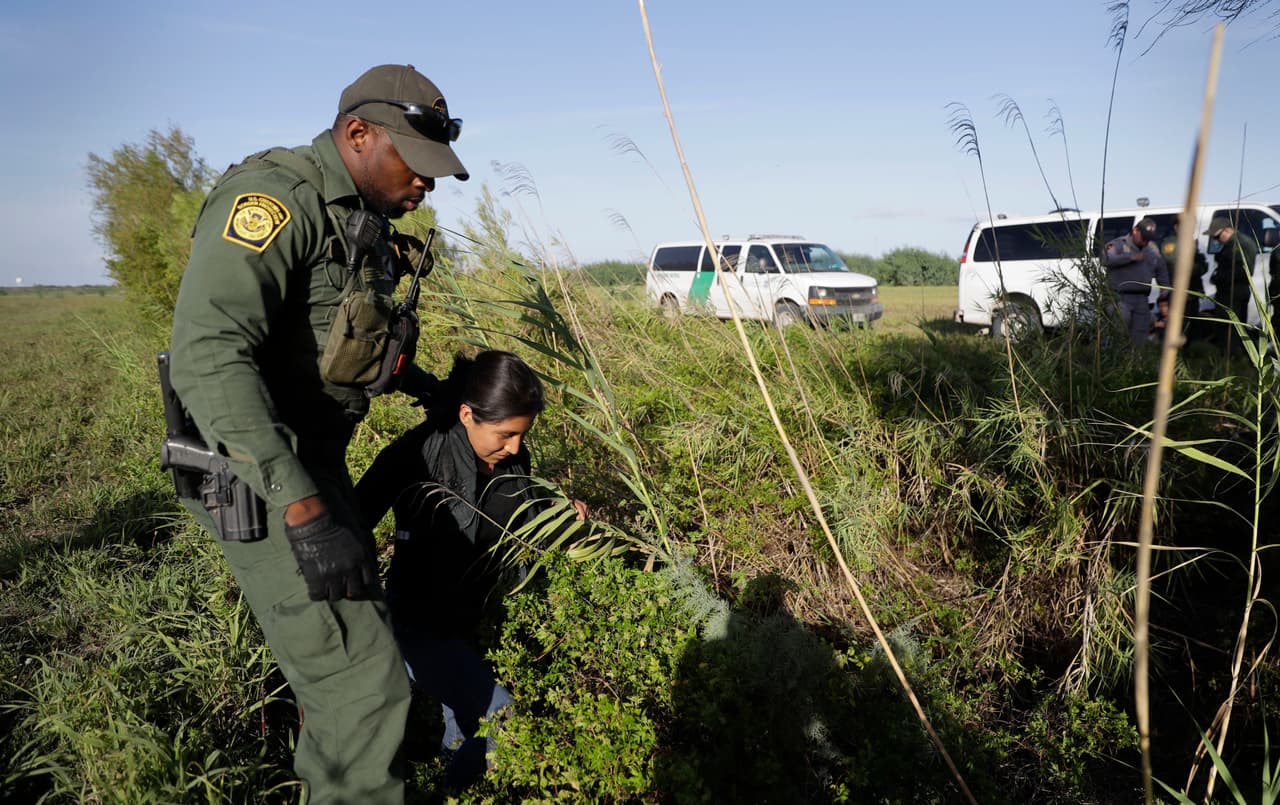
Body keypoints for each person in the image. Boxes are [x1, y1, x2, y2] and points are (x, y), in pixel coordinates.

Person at [167, 64, 469, 804]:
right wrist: (302, 511)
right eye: (415, 163)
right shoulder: (273, 201)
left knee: (353, 653)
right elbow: (208, 354)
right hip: (257, 471)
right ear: (357, 133)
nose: (425, 184)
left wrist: (426, 387)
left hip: (309, 462)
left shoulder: (356, 222)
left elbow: (328, 342)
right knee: (363, 686)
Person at [355, 350, 588, 792]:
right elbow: (351, 519)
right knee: (500, 718)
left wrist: (561, 513)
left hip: (463, 624)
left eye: (521, 435)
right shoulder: (418, 452)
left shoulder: (515, 460)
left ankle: (447, 778)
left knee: (461, 733)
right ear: (467, 414)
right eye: (505, 435)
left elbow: (524, 514)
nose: (515, 447)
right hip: (414, 624)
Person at [1101, 216, 1169, 346]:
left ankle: (1135, 363)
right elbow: (1105, 259)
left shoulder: (1152, 249)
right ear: (1135, 230)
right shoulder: (1118, 244)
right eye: (1143, 237)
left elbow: (1162, 270)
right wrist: (1130, 258)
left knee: (1139, 336)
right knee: (1118, 333)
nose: (1145, 241)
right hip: (1120, 298)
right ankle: (1115, 363)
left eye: (1148, 238)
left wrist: (1164, 289)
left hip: (1142, 299)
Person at [1204, 216, 1259, 356]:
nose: (1216, 241)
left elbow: (1243, 271)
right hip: (1227, 292)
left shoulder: (1240, 244)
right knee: (1225, 328)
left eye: (1217, 237)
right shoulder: (1230, 245)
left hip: (1234, 292)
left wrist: (1219, 278)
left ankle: (1234, 358)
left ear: (1227, 231)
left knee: (1232, 328)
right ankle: (1229, 356)